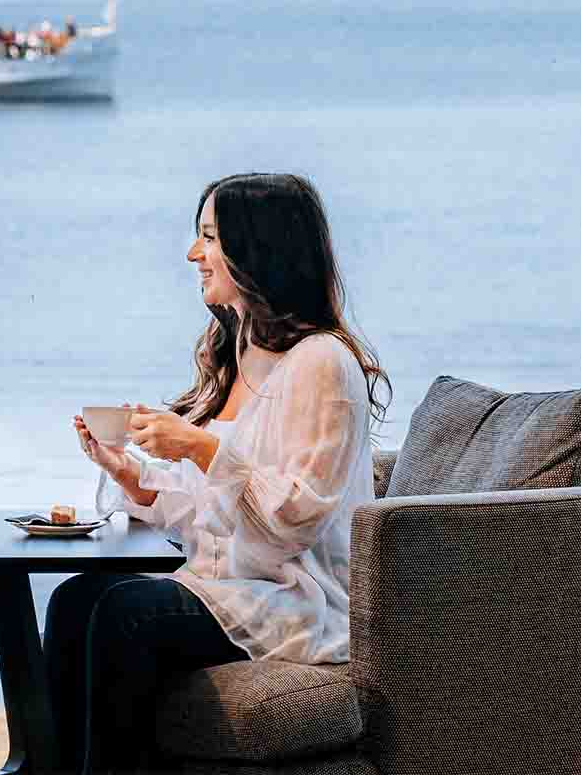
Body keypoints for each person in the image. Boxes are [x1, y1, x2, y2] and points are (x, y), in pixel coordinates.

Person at [45, 172, 388, 774]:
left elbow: (293, 520)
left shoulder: (323, 364)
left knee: (128, 615)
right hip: (234, 581)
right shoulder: (244, 348)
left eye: (208, 237)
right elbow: (219, 509)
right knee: (75, 601)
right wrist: (132, 475)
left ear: (258, 252)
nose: (192, 254)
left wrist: (200, 448)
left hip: (293, 599)